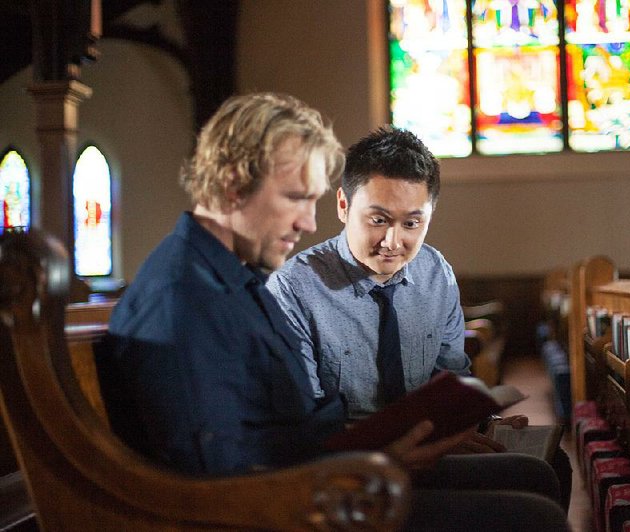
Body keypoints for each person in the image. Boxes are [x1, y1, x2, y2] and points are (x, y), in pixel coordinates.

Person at [97, 92, 567, 531]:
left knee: (539, 475)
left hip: (332, 477)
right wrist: (382, 464)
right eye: (296, 198)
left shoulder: (231, 277)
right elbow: (219, 485)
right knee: (534, 515)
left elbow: (289, 427)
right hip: (303, 506)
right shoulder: (184, 298)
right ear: (232, 183)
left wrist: (402, 446)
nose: (307, 221)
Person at [267, 126, 571, 511]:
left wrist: (481, 420)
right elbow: (300, 427)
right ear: (343, 205)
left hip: (428, 449)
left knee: (548, 464)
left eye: (412, 223)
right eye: (378, 220)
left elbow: (452, 377)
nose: (393, 242)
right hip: (350, 474)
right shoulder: (294, 289)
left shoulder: (434, 272)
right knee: (533, 507)